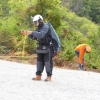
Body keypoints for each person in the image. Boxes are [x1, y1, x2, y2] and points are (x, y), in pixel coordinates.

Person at [21, 14, 56, 81]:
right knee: (39, 61)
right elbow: (34, 37)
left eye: (35, 22)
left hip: (48, 47)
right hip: (41, 47)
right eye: (34, 22)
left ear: (40, 21)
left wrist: (31, 32)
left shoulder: (46, 27)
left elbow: (40, 35)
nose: (35, 23)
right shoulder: (38, 28)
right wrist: (26, 33)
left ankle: (49, 76)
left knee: (47, 61)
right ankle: (38, 75)